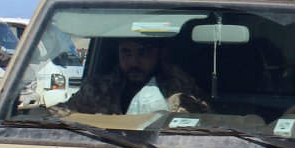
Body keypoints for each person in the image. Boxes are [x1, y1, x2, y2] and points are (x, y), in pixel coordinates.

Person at [60, 37, 207, 116]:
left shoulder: (180, 93)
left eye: (144, 53)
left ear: (161, 54)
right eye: (126, 52)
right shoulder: (97, 89)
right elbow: (60, 117)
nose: (133, 62)